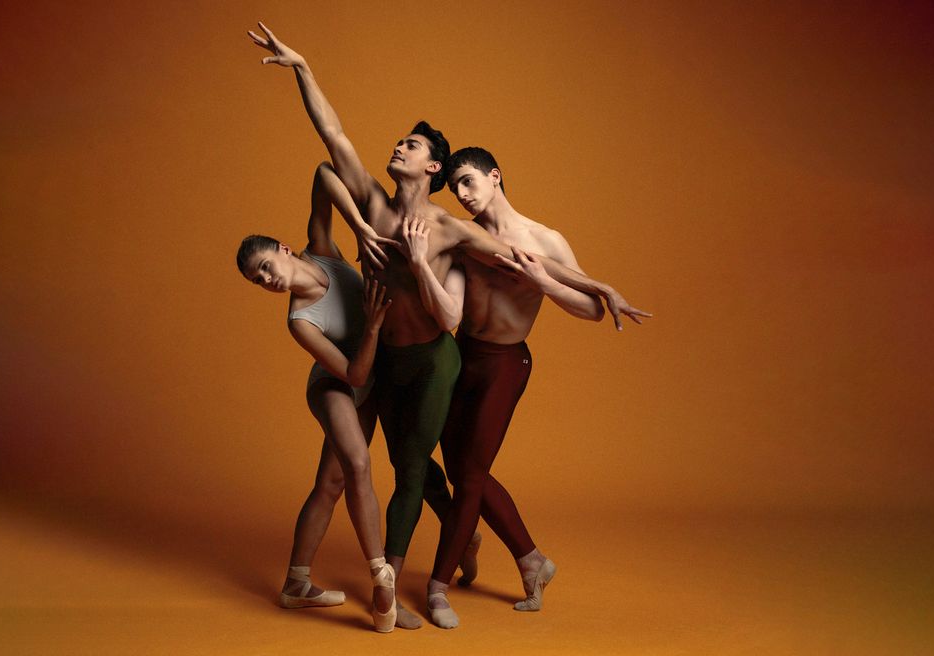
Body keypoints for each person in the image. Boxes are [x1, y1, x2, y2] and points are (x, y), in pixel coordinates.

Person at [248, 21, 644, 629]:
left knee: (413, 465)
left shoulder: (450, 228)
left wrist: (600, 286)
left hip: (435, 357)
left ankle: (409, 587)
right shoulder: (372, 207)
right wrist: (303, 67)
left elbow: (525, 263)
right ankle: (466, 541)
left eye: (412, 145)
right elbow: (331, 136)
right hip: (379, 359)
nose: (398, 148)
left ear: (432, 168)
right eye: (400, 142)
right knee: (415, 464)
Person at [409, 147, 652, 628]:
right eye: (455, 186)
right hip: (463, 357)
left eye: (469, 182)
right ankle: (532, 561)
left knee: (471, 476)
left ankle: (437, 587)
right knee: (460, 468)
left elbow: (590, 309)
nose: (461, 194)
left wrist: (544, 281)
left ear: (494, 177)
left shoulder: (544, 238)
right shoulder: (467, 237)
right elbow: (450, 303)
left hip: (505, 363)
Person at [236, 162, 397, 632]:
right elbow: (353, 371)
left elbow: (325, 172)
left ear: (285, 250)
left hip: (363, 378)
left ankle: (295, 585)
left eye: (266, 267)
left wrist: (362, 228)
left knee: (329, 486)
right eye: (257, 281)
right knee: (359, 464)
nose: (267, 280)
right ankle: (380, 574)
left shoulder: (323, 249)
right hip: (335, 386)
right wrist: (371, 327)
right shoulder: (300, 321)